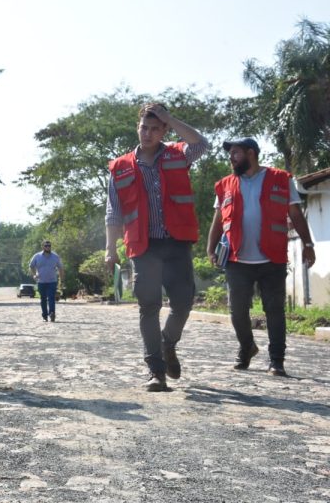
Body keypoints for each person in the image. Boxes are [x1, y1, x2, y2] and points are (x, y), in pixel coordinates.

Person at [105, 103, 209, 392]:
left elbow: (202, 144)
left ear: (163, 130)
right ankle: (155, 371)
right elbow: (113, 212)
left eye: (155, 128)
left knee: (183, 303)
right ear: (137, 129)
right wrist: (109, 249)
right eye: (144, 128)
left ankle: (167, 343)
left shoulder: (178, 154)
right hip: (144, 245)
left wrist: (170, 118)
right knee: (148, 306)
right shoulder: (120, 166)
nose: (148, 133)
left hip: (176, 242)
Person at [206, 137, 316, 377]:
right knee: (237, 312)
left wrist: (308, 244)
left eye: (235, 153)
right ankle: (247, 347)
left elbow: (295, 215)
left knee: (275, 310)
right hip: (236, 259)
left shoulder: (281, 179)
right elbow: (218, 220)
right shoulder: (225, 184)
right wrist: (210, 248)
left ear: (250, 153)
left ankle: (277, 361)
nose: (231, 157)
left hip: (272, 257)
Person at [28, 240, 64, 322]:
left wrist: (61, 280)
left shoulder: (55, 257)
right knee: (43, 299)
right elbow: (31, 266)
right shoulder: (37, 256)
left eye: (49, 245)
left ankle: (52, 313)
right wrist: (34, 275)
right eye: (46, 245)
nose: (48, 247)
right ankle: (45, 316)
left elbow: (61, 268)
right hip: (41, 281)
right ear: (43, 246)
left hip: (52, 281)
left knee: (51, 298)